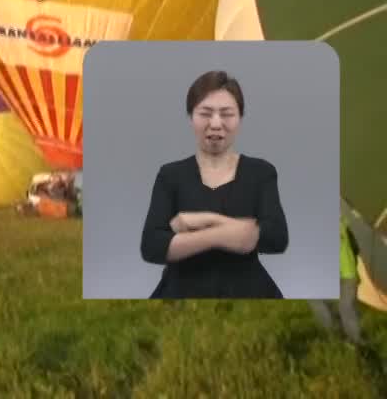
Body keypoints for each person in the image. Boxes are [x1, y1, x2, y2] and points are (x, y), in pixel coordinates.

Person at [139, 70, 288, 298]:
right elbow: (152, 246)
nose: (216, 124)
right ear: (191, 117)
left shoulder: (262, 172)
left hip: (250, 292)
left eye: (227, 114)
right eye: (205, 113)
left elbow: (276, 237)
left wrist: (202, 221)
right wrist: (228, 235)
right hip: (180, 293)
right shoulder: (170, 175)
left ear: (240, 117)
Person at [310, 215, 365, 345]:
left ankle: (354, 340)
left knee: (345, 307)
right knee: (340, 306)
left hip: (345, 274)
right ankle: (342, 335)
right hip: (340, 274)